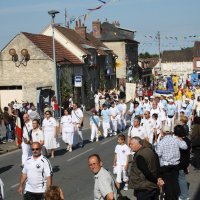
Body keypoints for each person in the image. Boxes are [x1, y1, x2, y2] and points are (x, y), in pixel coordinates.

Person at [156, 125, 187, 200]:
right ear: (170, 132)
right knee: (175, 182)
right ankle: (174, 197)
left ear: (162, 133)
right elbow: (185, 146)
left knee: (168, 184)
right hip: (175, 164)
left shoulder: (161, 142)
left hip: (166, 165)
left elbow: (158, 153)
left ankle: (169, 198)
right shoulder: (175, 140)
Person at [174, 125, 191, 200]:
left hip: (180, 163)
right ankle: (184, 195)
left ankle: (184, 196)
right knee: (181, 179)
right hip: (185, 162)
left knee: (181, 179)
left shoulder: (180, 141)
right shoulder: (187, 140)